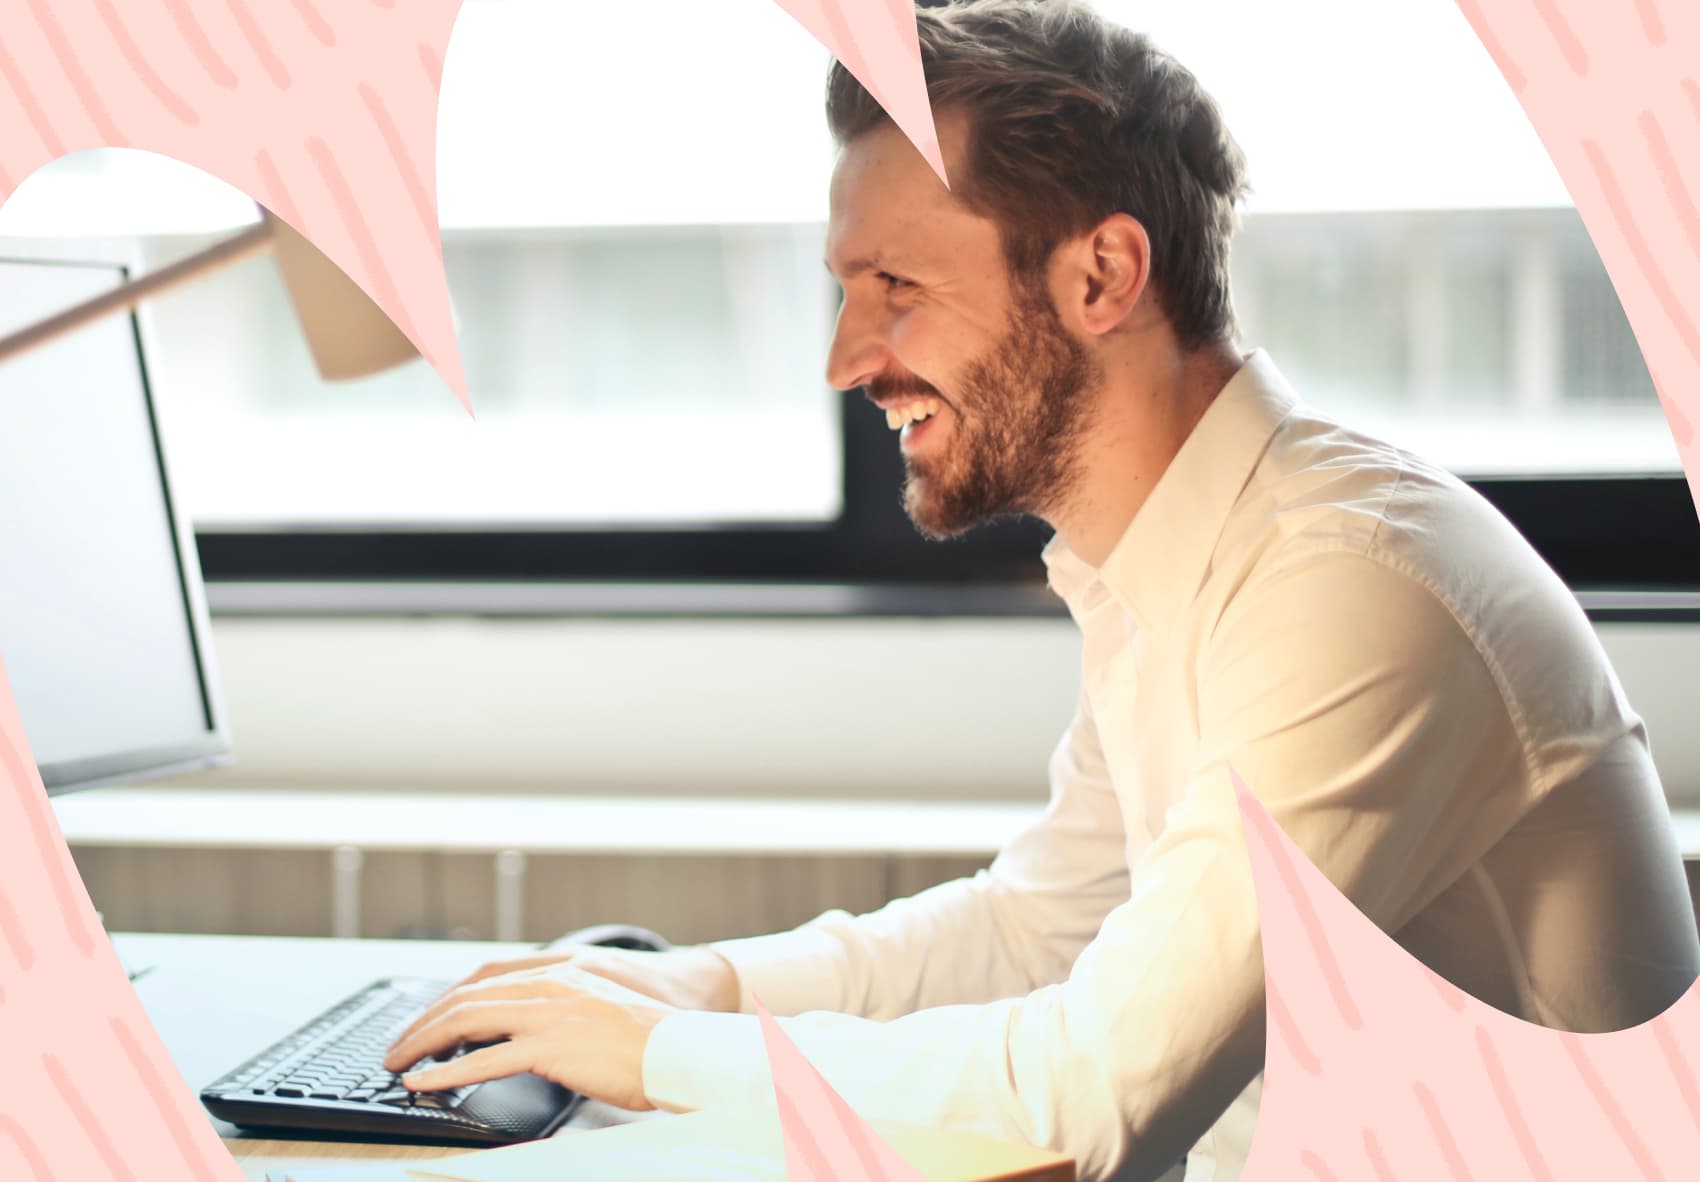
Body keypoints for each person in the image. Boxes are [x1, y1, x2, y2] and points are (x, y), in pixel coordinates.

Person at [383, 2, 1700, 1178]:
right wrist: (695, 987)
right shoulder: (1168, 558)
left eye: (896, 287)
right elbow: (1040, 928)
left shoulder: (1351, 590)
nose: (846, 359)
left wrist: (654, 1053)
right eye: (846, 291)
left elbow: (1089, 1102)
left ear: (1102, 276)